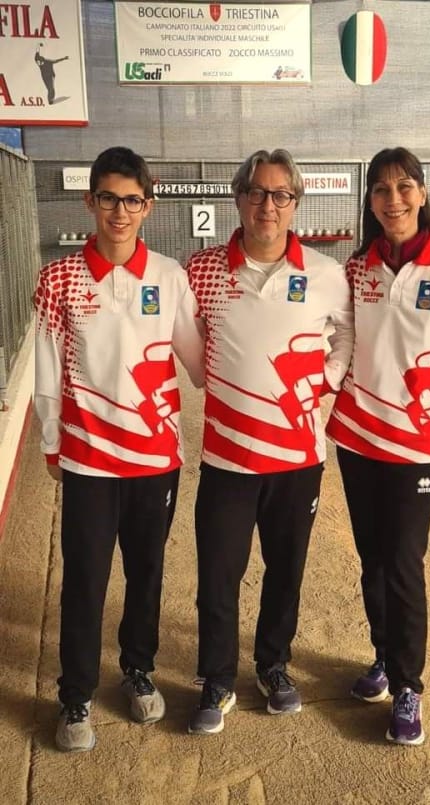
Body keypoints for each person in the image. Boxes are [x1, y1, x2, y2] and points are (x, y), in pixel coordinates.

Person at [33, 146, 205, 752]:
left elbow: (202, 361)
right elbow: (47, 371)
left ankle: (138, 669)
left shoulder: (170, 276)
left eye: (132, 200)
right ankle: (75, 695)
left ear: (148, 206)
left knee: (146, 574)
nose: (120, 212)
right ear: (90, 201)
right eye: (108, 198)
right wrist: (52, 442)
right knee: (84, 580)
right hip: (88, 459)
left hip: (156, 461)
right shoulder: (58, 279)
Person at [185, 148, 353, 734]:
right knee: (218, 575)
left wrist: (326, 381)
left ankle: (273, 665)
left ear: (296, 203)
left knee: (286, 569)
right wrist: (208, 375)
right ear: (239, 198)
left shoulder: (327, 275)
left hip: (298, 459)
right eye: (257, 192)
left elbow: (346, 336)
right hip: (227, 457)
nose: (268, 205)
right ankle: (217, 678)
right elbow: (187, 337)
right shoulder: (201, 270)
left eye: (281, 194)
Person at [326, 147, 430, 746]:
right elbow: (343, 342)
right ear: (370, 201)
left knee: (404, 562)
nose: (394, 199)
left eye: (404, 186)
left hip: (415, 445)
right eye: (382, 189)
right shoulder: (356, 269)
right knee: (372, 558)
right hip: (358, 438)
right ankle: (385, 658)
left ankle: (409, 687)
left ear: (422, 192)